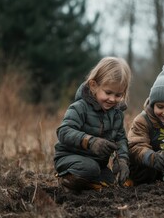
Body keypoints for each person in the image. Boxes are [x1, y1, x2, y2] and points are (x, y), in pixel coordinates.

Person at [54, 57, 132, 191]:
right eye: (108, 92)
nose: (112, 99)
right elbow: (63, 132)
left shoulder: (117, 114)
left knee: (112, 181)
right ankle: (65, 178)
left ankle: (87, 183)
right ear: (94, 86)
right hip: (68, 158)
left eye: (118, 95)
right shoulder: (79, 107)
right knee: (90, 168)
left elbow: (120, 139)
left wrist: (122, 161)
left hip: (97, 164)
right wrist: (90, 141)